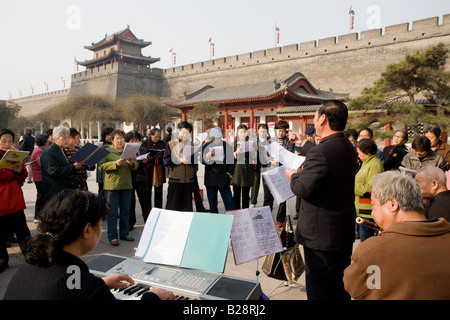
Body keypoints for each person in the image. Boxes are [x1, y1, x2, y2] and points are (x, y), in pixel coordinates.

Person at [3, 189, 174, 300]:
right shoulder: (87, 286)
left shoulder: (32, 264)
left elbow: (66, 287)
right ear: (87, 230)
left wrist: (102, 283)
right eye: (100, 224)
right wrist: (153, 297)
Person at [285, 100, 357, 300]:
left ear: (323, 118)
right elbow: (326, 157)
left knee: (320, 290)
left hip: (320, 236)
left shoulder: (321, 151)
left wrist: (293, 176)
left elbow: (302, 188)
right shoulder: (347, 147)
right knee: (339, 287)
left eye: (315, 117)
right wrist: (304, 143)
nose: (314, 122)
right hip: (341, 231)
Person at [343, 171, 450, 300]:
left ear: (392, 204)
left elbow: (353, 287)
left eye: (373, 204)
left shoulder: (371, 252)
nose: (372, 213)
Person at [98, 130, 138, 246]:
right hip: (112, 186)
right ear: (112, 140)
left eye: (121, 138)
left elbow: (136, 165)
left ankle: (124, 233)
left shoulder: (129, 150)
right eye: (117, 139)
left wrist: (131, 163)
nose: (120, 141)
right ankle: (112, 236)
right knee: (112, 212)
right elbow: (101, 166)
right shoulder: (106, 151)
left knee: (126, 211)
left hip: (127, 185)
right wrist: (115, 164)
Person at [0, 128, 31, 273]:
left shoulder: (14, 154)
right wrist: (13, 171)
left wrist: (19, 171)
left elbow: (23, 174)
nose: (7, 144)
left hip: (15, 198)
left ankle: (30, 255)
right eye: (3, 141)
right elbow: (2, 175)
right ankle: (2, 260)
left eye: (10, 141)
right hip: (1, 200)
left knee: (23, 231)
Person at [40, 126, 85, 205]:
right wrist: (73, 167)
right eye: (64, 137)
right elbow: (54, 171)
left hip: (65, 191)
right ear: (56, 138)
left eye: (68, 137)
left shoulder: (61, 150)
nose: (67, 140)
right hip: (55, 192)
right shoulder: (49, 152)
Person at [354, 139, 384, 242]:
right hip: (362, 208)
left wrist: (352, 187)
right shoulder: (366, 162)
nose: (358, 155)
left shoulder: (374, 165)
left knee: (366, 242)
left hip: (367, 210)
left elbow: (371, 188)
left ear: (367, 152)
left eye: (359, 153)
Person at [202, 127, 236, 213]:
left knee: (229, 203)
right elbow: (201, 160)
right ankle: (215, 222)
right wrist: (207, 157)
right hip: (210, 179)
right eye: (214, 138)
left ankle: (232, 220)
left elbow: (231, 161)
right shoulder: (206, 146)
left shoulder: (226, 146)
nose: (216, 140)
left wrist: (229, 173)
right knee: (212, 204)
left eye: (218, 138)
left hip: (224, 177)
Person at [163, 121, 195, 212]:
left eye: (188, 133)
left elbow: (195, 161)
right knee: (172, 206)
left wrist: (190, 160)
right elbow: (166, 160)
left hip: (188, 181)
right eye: (183, 132)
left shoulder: (192, 145)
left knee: (187, 208)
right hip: (175, 179)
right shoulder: (171, 144)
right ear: (178, 132)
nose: (185, 135)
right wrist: (179, 160)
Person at [125, 130, 150, 229]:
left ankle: (148, 222)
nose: (134, 142)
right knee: (130, 202)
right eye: (132, 140)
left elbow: (148, 163)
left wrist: (145, 161)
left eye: (136, 140)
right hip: (129, 177)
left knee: (145, 201)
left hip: (141, 178)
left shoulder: (143, 149)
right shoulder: (125, 150)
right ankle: (130, 223)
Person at [273, 120, 295, 228]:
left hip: (283, 171)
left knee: (282, 198)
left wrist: (280, 160)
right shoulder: (270, 142)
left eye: (282, 131)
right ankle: (266, 216)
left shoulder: (290, 143)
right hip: (271, 171)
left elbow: (289, 157)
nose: (280, 133)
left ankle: (280, 219)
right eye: (278, 131)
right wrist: (270, 161)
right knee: (268, 197)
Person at [231, 124, 256, 209]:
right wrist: (235, 153)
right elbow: (229, 158)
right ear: (237, 133)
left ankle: (245, 212)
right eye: (241, 132)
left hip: (247, 171)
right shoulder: (233, 143)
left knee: (246, 194)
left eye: (244, 132)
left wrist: (253, 151)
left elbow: (255, 158)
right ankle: (237, 212)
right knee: (236, 194)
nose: (243, 134)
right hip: (237, 172)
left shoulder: (251, 143)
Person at [142, 128, 167, 214]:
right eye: (155, 136)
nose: (157, 138)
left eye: (159, 137)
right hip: (148, 170)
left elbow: (166, 155)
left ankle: (158, 210)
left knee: (158, 192)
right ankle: (147, 211)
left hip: (159, 170)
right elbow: (141, 155)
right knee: (148, 192)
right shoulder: (145, 143)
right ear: (151, 135)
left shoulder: (163, 144)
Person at [30, 133, 50, 222]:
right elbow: (43, 164)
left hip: (39, 178)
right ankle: (37, 216)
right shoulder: (39, 151)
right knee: (41, 197)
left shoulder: (39, 150)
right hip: (40, 178)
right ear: (45, 141)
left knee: (42, 197)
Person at [96, 127, 114, 197]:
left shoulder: (116, 146)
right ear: (104, 136)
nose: (110, 137)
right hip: (102, 175)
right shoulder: (101, 146)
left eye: (111, 135)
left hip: (112, 175)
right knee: (102, 194)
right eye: (108, 135)